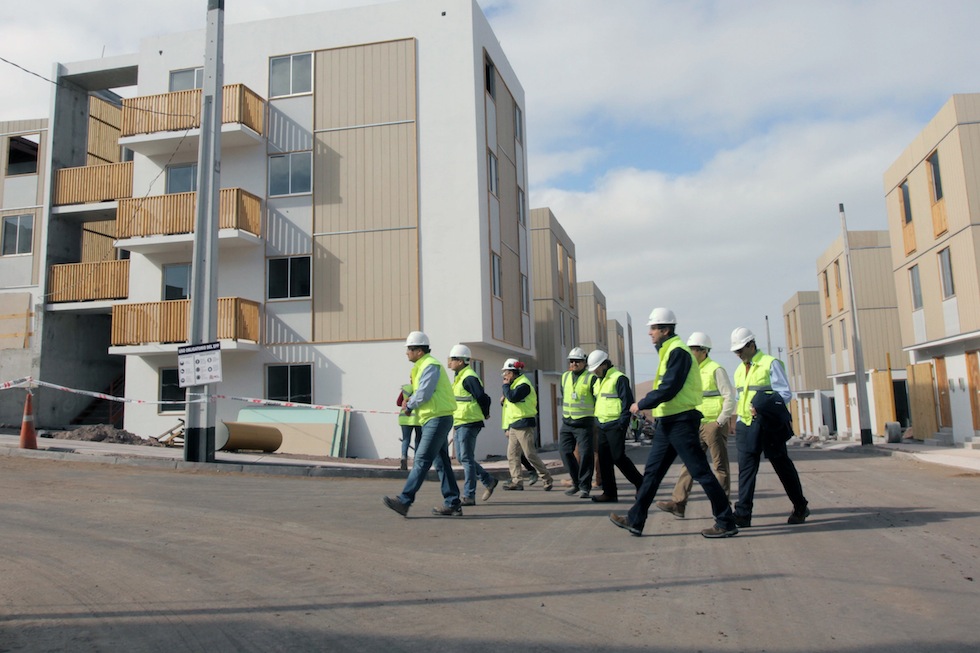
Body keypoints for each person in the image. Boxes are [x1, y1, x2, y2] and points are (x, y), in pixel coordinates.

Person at [609, 308, 737, 539]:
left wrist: (642, 403)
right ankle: (636, 520)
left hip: (681, 421)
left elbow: (670, 387)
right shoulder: (669, 351)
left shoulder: (678, 351)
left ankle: (726, 521)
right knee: (652, 473)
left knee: (700, 472)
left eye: (653, 328)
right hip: (667, 423)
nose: (650, 333)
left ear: (665, 330)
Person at [729, 327, 809, 527]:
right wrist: (739, 422)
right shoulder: (739, 370)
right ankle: (742, 514)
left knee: (782, 466)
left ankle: (800, 506)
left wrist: (763, 407)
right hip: (746, 426)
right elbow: (740, 398)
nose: (738, 354)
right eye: (735, 351)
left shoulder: (770, 363)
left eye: (740, 349)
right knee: (746, 470)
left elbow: (784, 394)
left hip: (769, 425)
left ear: (751, 345)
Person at [383, 331, 463, 518]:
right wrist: (410, 401)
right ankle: (453, 503)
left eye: (409, 349)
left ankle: (404, 501)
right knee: (441, 462)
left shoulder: (429, 365)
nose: (406, 353)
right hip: (434, 418)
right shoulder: (422, 366)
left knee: (421, 460)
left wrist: (410, 405)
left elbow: (424, 393)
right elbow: (423, 392)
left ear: (419, 351)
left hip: (437, 418)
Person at [656, 332, 735, 518]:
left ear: (704, 351)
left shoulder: (716, 369)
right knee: (689, 463)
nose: (690, 352)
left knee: (720, 467)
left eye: (694, 349)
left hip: (713, 425)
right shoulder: (692, 371)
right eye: (689, 349)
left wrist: (719, 422)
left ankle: (722, 509)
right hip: (696, 424)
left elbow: (729, 397)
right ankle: (678, 503)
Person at [588, 350, 644, 503]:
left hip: (615, 425)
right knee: (604, 460)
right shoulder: (597, 381)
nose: (594, 371)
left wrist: (622, 424)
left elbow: (627, 403)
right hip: (601, 425)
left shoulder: (619, 378)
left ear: (604, 365)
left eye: (596, 368)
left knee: (618, 457)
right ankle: (609, 493)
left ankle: (641, 482)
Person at [447, 344, 498, 506]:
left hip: (469, 422)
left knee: (466, 458)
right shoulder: (460, 377)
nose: (449, 362)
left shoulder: (469, 377)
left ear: (461, 361)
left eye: (453, 359)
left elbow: (483, 398)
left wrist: (485, 413)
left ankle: (469, 495)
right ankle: (488, 480)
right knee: (462, 458)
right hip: (461, 421)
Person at [500, 358, 553, 491]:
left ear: (512, 373)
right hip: (514, 424)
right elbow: (510, 405)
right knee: (512, 454)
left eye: (506, 373)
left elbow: (513, 397)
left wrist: (505, 386)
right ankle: (517, 481)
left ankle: (546, 478)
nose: (504, 376)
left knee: (530, 454)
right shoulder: (514, 385)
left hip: (524, 424)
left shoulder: (523, 385)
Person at [558, 347, 598, 498]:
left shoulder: (591, 378)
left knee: (586, 454)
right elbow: (564, 394)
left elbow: (596, 399)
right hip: (567, 422)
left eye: (577, 361)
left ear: (584, 363)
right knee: (565, 451)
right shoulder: (564, 377)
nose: (574, 364)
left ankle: (585, 487)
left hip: (584, 423)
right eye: (571, 361)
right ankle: (576, 482)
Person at [396, 378, 421, 471]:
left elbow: (398, 403)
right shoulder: (420, 388)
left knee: (406, 439)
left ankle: (403, 457)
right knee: (418, 440)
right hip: (417, 419)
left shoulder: (405, 388)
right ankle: (416, 462)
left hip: (405, 419)